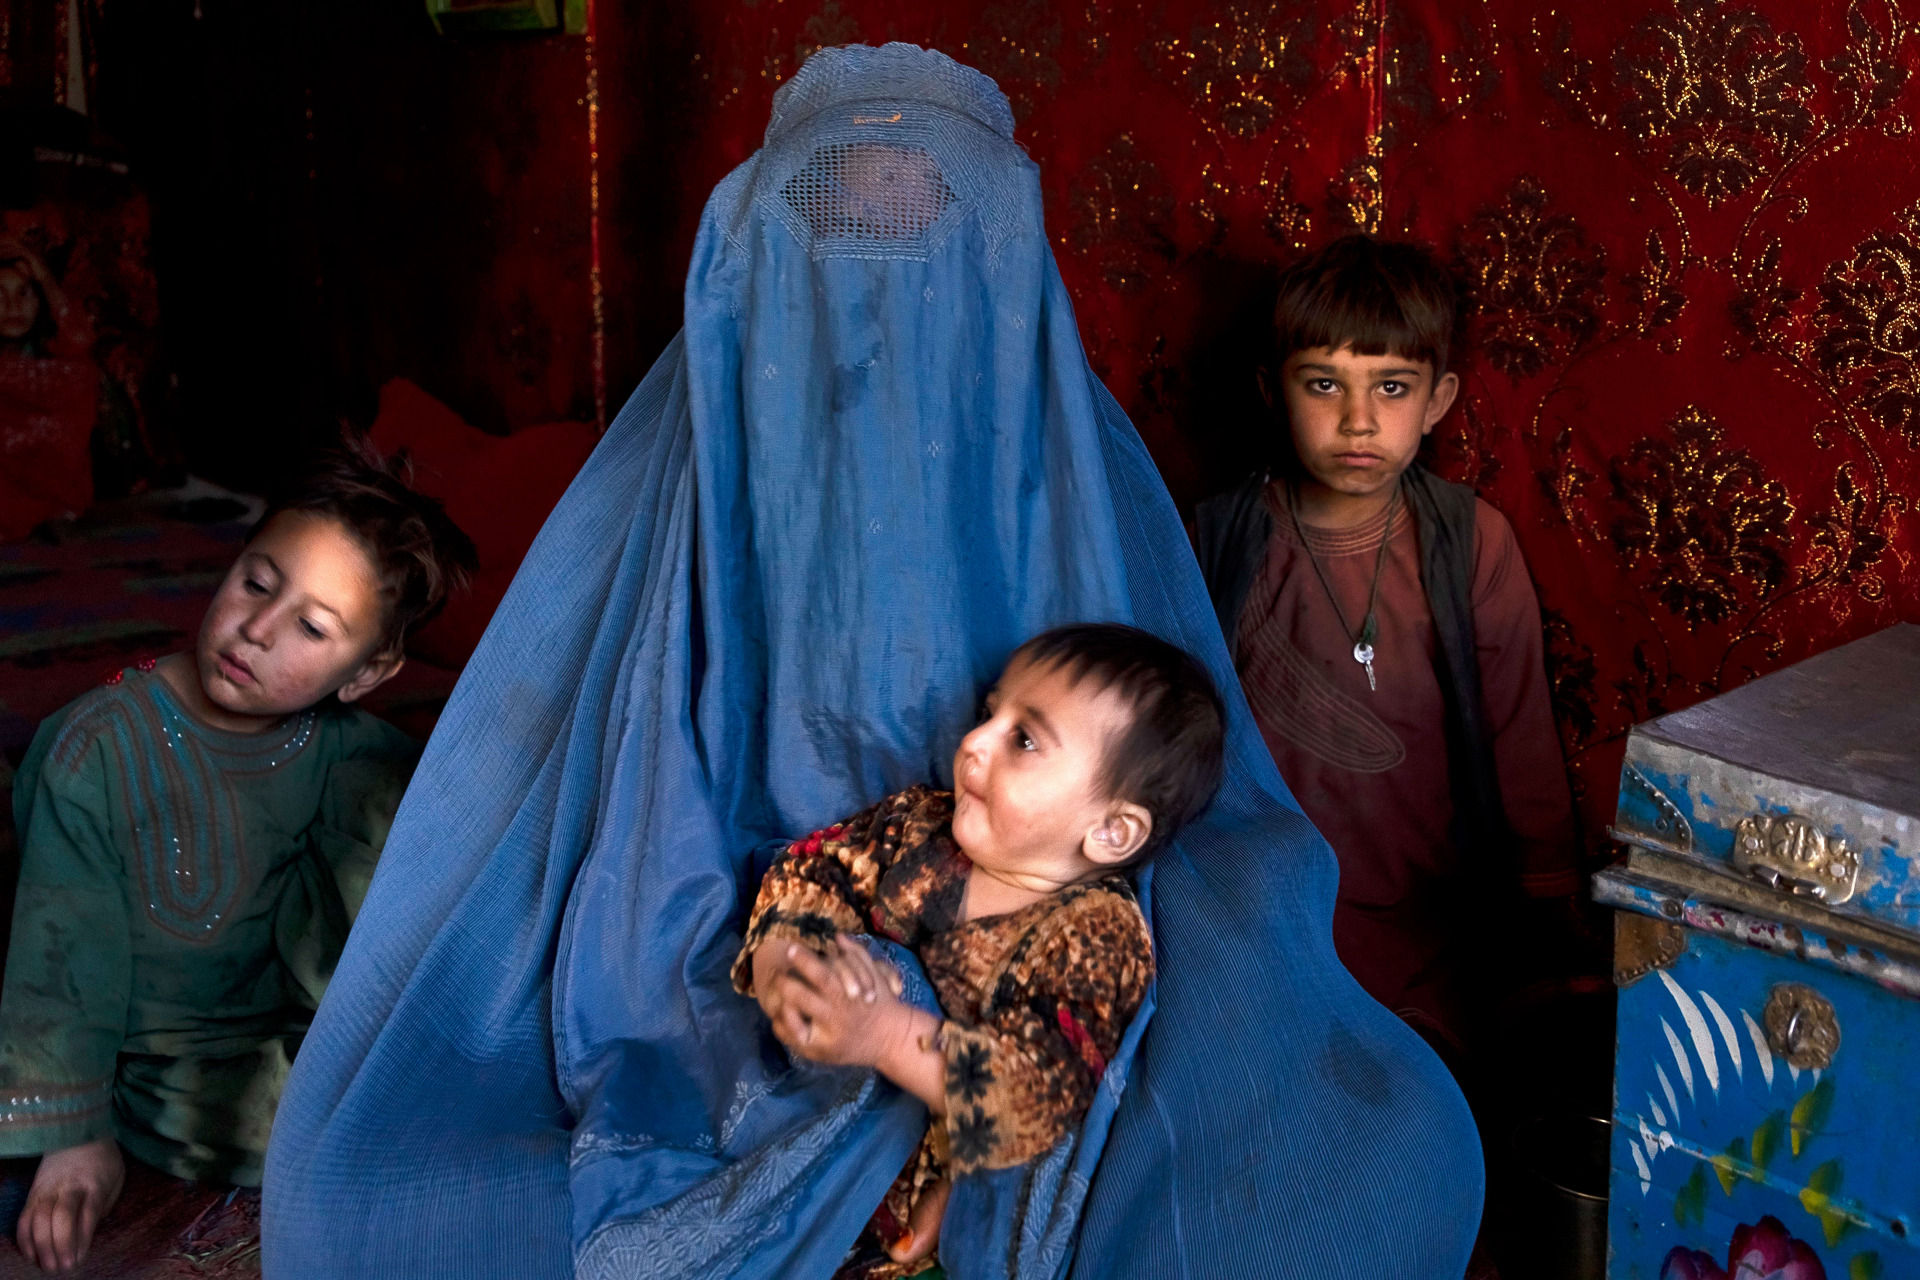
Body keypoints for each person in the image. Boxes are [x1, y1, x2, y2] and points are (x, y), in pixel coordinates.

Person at [265, 44, 1484, 1280]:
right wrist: (790, 961)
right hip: (736, 935)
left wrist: (926, 1019)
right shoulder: (732, 423)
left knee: (1383, 1154)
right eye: (840, 233)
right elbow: (664, 818)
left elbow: (1135, 766)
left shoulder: (1051, 448)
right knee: (388, 1189)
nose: (878, 294)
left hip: (1040, 896)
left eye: (923, 239)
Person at [0, 441, 475, 1272]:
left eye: (311, 628)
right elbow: (61, 957)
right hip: (175, 1067)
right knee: (348, 1130)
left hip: (312, 1031)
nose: (256, 630)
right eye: (257, 582)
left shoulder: (360, 755)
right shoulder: (95, 753)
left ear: (366, 672)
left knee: (466, 1067)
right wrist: (74, 1137)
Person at [1191, 233, 1581, 1065]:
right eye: (1323, 384)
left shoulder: (1470, 543)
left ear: (1437, 400)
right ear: (1272, 391)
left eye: (1392, 388)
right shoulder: (1219, 537)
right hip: (1262, 908)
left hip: (1432, 925)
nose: (1358, 421)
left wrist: (1548, 912)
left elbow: (1522, 743)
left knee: (1413, 1086)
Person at [737, 624, 1222, 1277]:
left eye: (1024, 740)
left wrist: (885, 1035)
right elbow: (813, 873)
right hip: (791, 1124)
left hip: (906, 1213)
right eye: (990, 714)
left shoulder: (1097, 939)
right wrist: (782, 963)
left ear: (1111, 831)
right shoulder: (919, 825)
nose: (974, 742)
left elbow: (1031, 1095)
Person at [0, 238, 98, 539]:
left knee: (82, 375)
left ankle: (50, 507)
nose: (13, 306)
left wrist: (43, 274)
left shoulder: (53, 356)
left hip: (47, 476)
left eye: (25, 293)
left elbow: (81, 339)